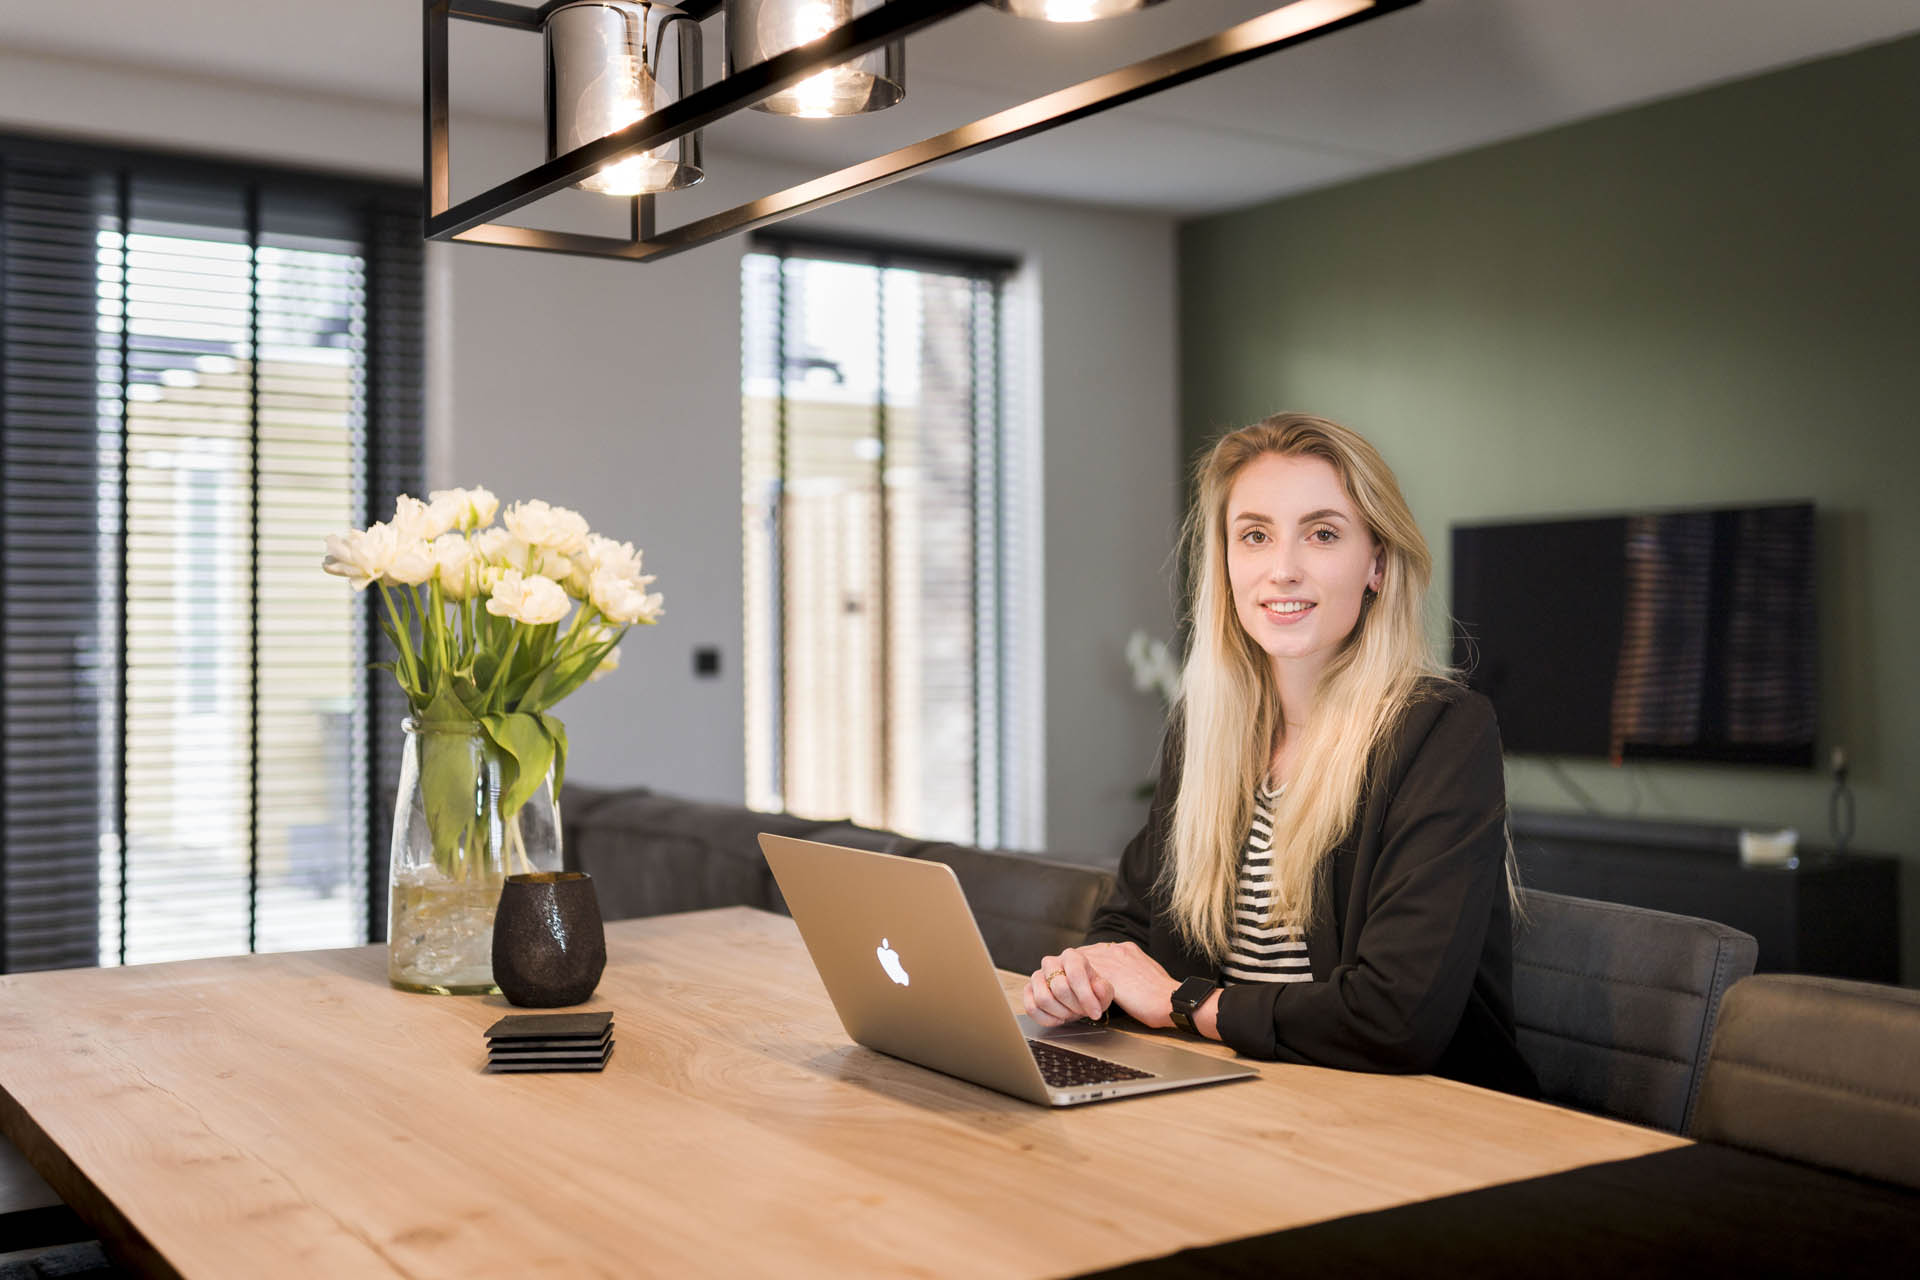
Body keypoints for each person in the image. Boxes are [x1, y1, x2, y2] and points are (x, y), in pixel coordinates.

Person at [1024, 413, 1538, 1097]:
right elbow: (1133, 923)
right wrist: (1088, 976)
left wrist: (1186, 1003)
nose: (1283, 569)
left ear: (1377, 564)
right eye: (1255, 535)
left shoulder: (1442, 733)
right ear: (1227, 560)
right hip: (1236, 1101)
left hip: (1417, 1128)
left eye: (1323, 534)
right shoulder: (1205, 732)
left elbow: (1394, 1017)